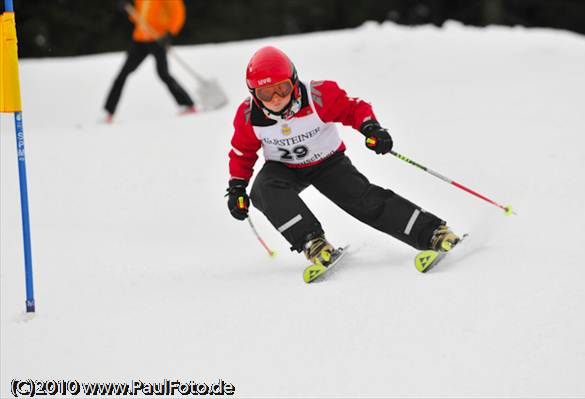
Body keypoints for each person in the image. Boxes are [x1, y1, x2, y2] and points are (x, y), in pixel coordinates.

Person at [226, 46, 459, 268]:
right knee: (263, 190)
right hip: (284, 168)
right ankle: (312, 243)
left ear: (294, 82)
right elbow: (242, 152)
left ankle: (433, 233)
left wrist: (371, 129)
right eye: (266, 93)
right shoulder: (249, 116)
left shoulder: (318, 95)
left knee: (362, 201)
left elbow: (353, 108)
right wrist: (237, 187)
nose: (276, 98)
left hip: (327, 162)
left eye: (282, 89)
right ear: (254, 94)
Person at [103, 0, 195, 123]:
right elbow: (140, 15)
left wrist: (170, 33)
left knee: (163, 74)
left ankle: (189, 105)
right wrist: (127, 9)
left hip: (158, 39)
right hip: (141, 39)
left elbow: (178, 13)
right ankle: (109, 113)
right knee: (122, 74)